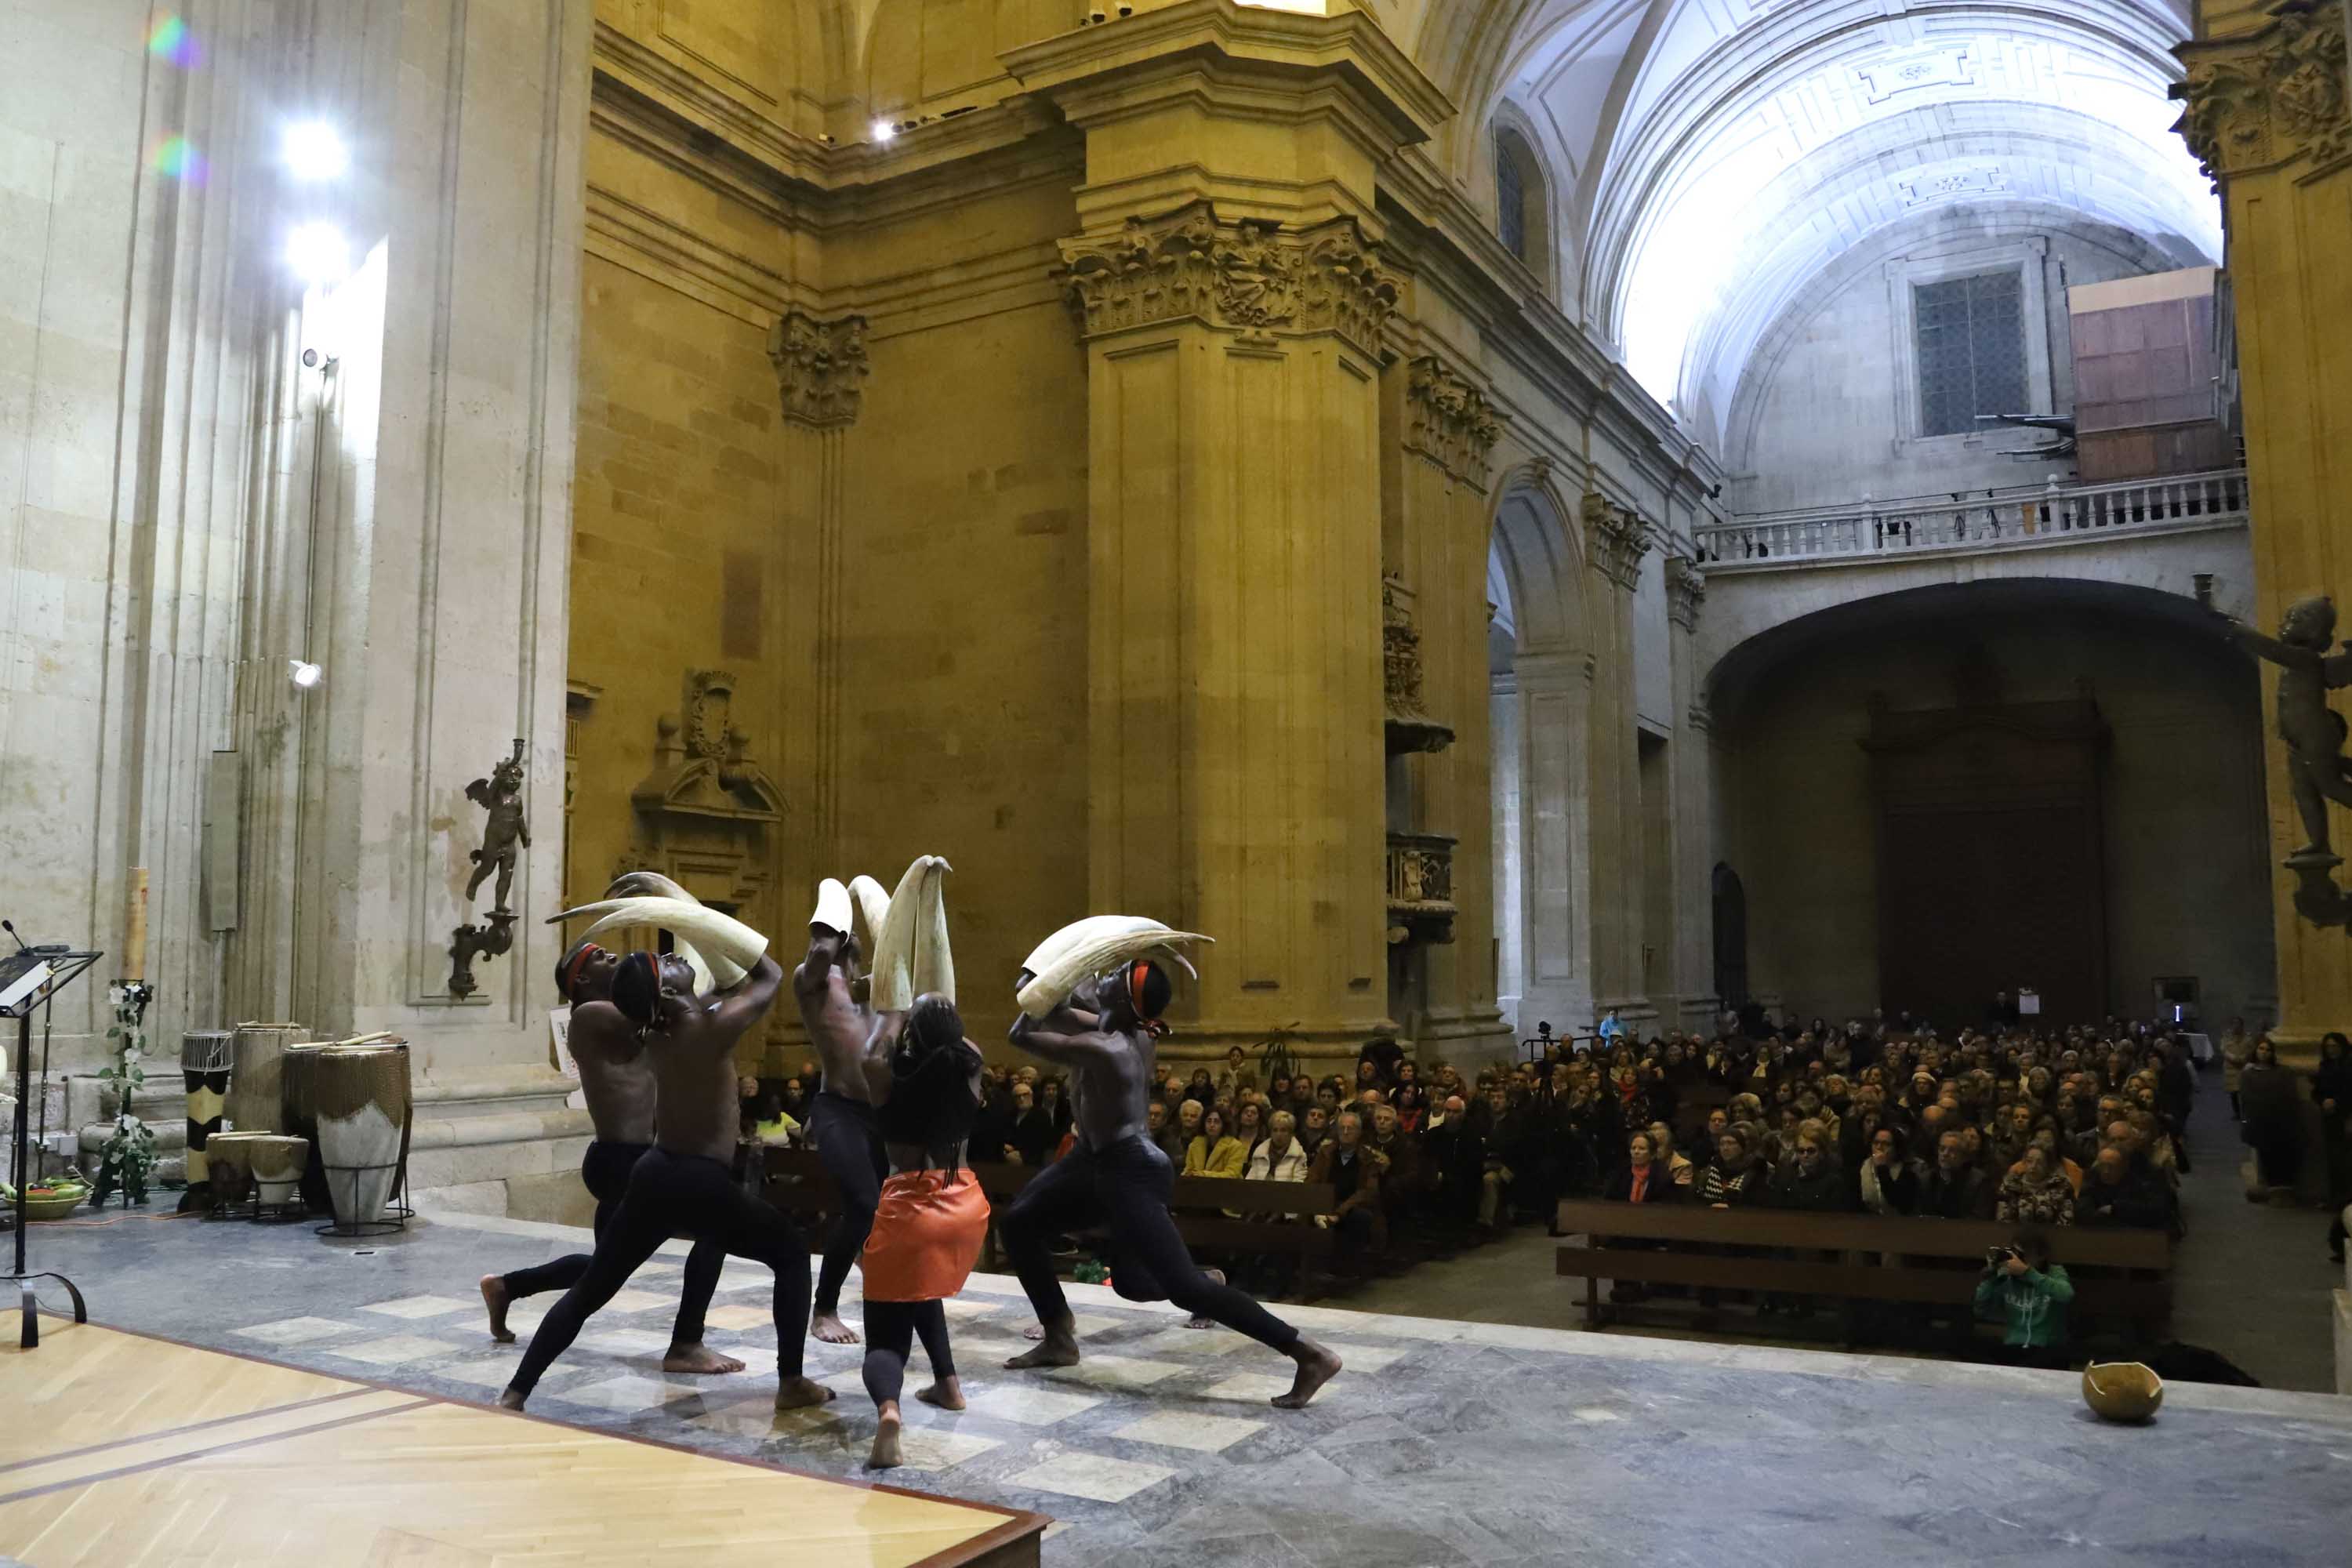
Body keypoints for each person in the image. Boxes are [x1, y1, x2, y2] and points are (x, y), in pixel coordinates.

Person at [999, 934, 1342, 1407]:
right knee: (1030, 1228)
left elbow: (1022, 1032)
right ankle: (1059, 1336)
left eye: (1114, 977)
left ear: (1122, 1000)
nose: (1107, 978)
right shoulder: (1119, 1025)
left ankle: (1308, 1353)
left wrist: (1032, 986)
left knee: (1178, 1288)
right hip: (1093, 1161)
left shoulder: (1112, 1049)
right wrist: (1051, 978)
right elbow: (1062, 1011)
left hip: (1129, 1168)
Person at [501, 931, 828, 1412]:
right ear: (670, 993)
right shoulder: (710, 1029)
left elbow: (707, 995)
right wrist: (712, 927)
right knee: (792, 1254)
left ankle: (517, 1390)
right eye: (667, 963)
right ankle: (792, 1382)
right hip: (698, 1179)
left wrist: (693, 948)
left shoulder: (659, 1032)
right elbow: (770, 976)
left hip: (654, 1174)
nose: (674, 956)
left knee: (593, 1288)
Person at [480, 939, 739, 1376]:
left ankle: (509, 1286)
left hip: (634, 1159)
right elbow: (669, 1012)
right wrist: (711, 990)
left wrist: (726, 989)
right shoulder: (590, 1014)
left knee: (607, 1268)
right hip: (621, 1160)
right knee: (716, 1230)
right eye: (599, 959)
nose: (613, 958)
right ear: (579, 979)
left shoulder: (627, 1015)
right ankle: (686, 1343)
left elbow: (682, 1012)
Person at [858, 995, 988, 1471]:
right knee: (919, 1284)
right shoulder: (970, 1069)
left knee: (883, 1341)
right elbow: (959, 1043)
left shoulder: (889, 1079)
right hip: (964, 1205)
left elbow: (873, 1053)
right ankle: (948, 1384)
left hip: (912, 1209)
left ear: (911, 1035)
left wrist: (895, 1011)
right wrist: (930, 1019)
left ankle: (888, 1411)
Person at [793, 878, 895, 1345]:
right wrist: (834, 913)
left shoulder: (879, 984)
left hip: (878, 1111)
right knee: (862, 1202)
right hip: (837, 1108)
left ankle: (865, 1261)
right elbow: (818, 954)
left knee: (878, 1210)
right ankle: (824, 1308)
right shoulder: (811, 979)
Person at [1973, 1228, 2072, 1369]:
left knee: (2057, 1355)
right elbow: (1980, 1311)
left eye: (2023, 1255)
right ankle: (2016, 1371)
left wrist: (2028, 1273)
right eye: (2015, 1254)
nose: (2018, 1260)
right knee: (1968, 1343)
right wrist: (1991, 1279)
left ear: (2041, 1256)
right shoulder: (2006, 1276)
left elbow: (2066, 1294)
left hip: (2046, 1347)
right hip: (2014, 1346)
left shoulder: (2055, 1272)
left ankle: (2013, 1372)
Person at [1184, 1106, 1249, 1178]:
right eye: (1209, 1121)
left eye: (1216, 1122)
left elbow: (1232, 1174)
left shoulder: (1235, 1146)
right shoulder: (1194, 1145)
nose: (1212, 1125)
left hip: (1226, 1187)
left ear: (1224, 1125)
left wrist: (1204, 1174)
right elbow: (1188, 1171)